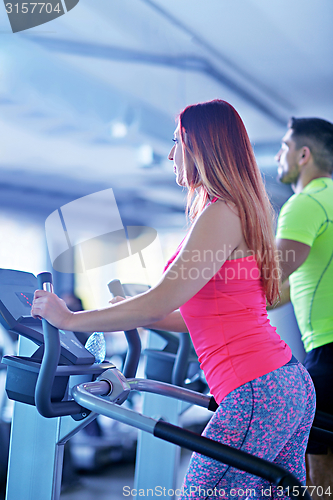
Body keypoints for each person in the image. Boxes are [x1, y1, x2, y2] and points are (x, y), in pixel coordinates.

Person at [32, 100, 315, 497]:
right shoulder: (238, 210)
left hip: (254, 385)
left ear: (200, 145)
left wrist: (69, 319)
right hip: (282, 382)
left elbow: (160, 300)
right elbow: (202, 314)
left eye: (176, 141)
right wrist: (135, 316)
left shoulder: (221, 213)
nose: (169, 153)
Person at [275, 117, 333, 495]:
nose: (279, 156)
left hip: (328, 353)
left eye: (284, 147)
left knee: (319, 483)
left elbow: (264, 279)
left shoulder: (305, 202)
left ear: (303, 154)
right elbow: (285, 290)